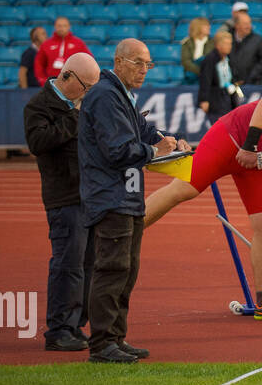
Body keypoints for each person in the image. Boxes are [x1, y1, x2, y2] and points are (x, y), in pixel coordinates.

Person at [143, 85, 262, 320]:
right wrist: (249, 146)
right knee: (184, 190)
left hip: (257, 162)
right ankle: (124, 230)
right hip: (233, 137)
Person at [79, 39, 187, 362]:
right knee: (112, 269)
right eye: (138, 63)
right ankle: (101, 344)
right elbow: (118, 150)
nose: (144, 70)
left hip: (126, 197)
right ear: (119, 61)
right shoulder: (104, 95)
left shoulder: (121, 95)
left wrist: (166, 140)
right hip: (110, 197)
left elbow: (143, 130)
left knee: (127, 270)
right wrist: (155, 151)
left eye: (148, 64)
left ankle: (115, 336)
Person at [24, 53, 100, 352]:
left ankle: (76, 324)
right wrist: (74, 116)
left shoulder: (82, 105)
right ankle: (58, 330)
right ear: (67, 77)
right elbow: (38, 143)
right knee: (67, 265)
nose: (88, 92)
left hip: (89, 194)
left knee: (88, 264)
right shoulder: (38, 106)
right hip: (64, 196)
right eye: (86, 86)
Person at [197, 30, 243, 125]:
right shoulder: (210, 59)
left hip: (229, 96)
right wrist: (204, 99)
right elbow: (205, 80)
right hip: (215, 98)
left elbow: (233, 74)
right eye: (226, 44)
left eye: (230, 44)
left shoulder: (228, 58)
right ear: (218, 45)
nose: (229, 46)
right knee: (219, 125)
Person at [34, 17, 92, 86]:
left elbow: (89, 62)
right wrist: (42, 80)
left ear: (69, 27)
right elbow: (39, 64)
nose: (62, 28)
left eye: (64, 26)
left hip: (73, 85)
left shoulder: (78, 43)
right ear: (55, 27)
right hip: (51, 84)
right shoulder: (46, 44)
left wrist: (81, 81)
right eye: (59, 26)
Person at [229, 11, 262, 89]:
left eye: (250, 23)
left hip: (253, 86)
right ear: (236, 25)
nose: (249, 26)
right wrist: (233, 79)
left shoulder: (258, 40)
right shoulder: (228, 39)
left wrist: (248, 79)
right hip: (231, 86)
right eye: (245, 24)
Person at [180, 16, 211, 85]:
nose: (209, 27)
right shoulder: (187, 42)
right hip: (193, 74)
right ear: (198, 27)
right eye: (206, 25)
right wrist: (200, 71)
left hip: (207, 73)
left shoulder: (213, 42)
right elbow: (186, 62)